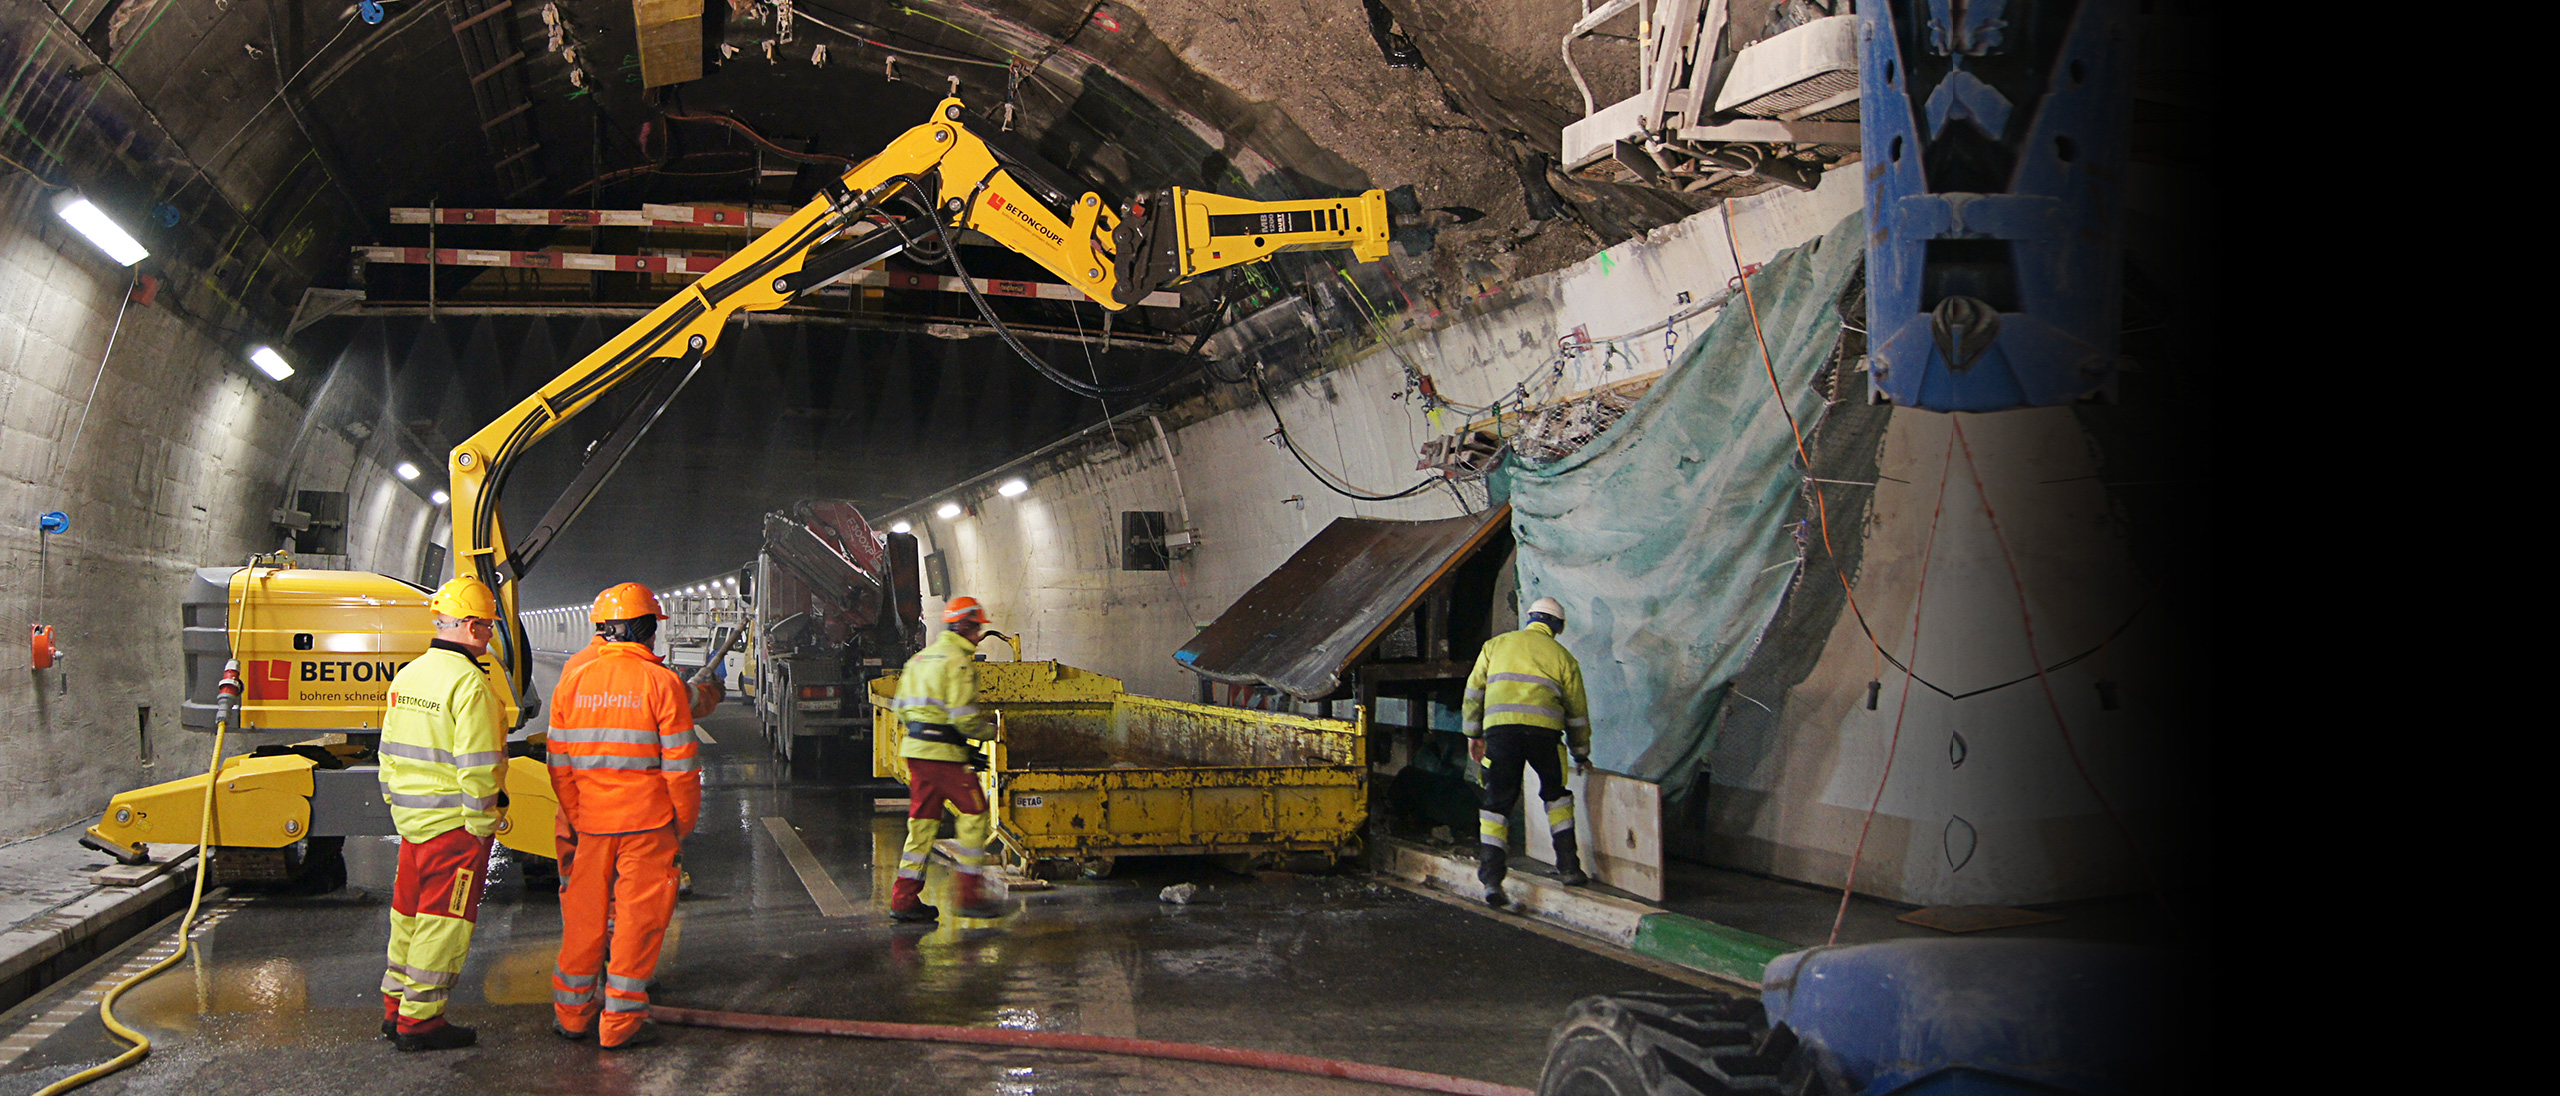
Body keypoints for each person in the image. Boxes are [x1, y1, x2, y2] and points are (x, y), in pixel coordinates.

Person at [546, 582, 699, 1050]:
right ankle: (620, 1024)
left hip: (591, 824)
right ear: (648, 630)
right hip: (648, 826)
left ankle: (572, 1015)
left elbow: (559, 765)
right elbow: (681, 768)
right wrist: (681, 824)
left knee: (584, 920)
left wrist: (580, 815)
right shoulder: (662, 683)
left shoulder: (573, 680)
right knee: (637, 923)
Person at [378, 577, 510, 1051]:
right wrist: (482, 827)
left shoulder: (410, 675)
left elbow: (388, 752)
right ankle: (421, 1022)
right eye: (488, 626)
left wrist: (397, 804)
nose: (490, 635)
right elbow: (479, 767)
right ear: (472, 627)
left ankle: (395, 1008)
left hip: (413, 824)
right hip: (454, 829)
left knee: (407, 917)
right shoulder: (470, 684)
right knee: (443, 923)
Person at [1463, 596, 1593, 908]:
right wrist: (1580, 752)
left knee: (1497, 804)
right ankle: (1569, 868)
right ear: (1558, 627)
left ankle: (1492, 881)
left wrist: (1473, 734)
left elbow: (1473, 691)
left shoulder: (1495, 646)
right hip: (1545, 735)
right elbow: (1577, 713)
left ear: (1531, 618)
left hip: (1501, 734)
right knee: (1556, 796)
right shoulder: (1564, 658)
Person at [888, 596, 1007, 923]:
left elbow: (901, 709)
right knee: (976, 813)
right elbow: (964, 718)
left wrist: (948, 742)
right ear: (964, 627)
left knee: (923, 824)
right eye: (976, 628)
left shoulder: (919, 659)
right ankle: (969, 895)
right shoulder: (959, 662)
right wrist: (992, 732)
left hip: (917, 753)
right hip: (943, 756)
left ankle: (903, 899)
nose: (978, 635)